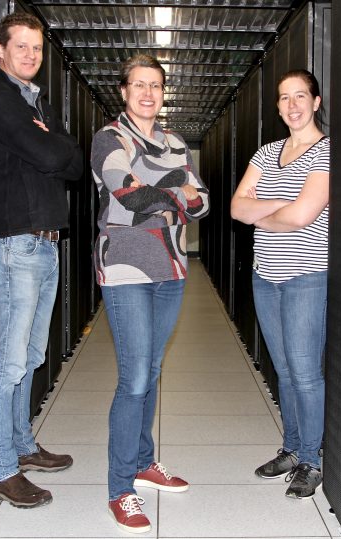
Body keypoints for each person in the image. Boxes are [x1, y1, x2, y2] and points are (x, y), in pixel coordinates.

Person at [91, 54, 210, 533]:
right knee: (134, 377)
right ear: (124, 91)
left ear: (164, 92)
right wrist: (176, 186)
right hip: (124, 267)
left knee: (152, 370)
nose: (147, 93)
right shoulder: (109, 139)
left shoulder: (176, 142)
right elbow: (130, 194)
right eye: (138, 85)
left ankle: (143, 461)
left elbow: (200, 205)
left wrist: (176, 192)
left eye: (155, 86)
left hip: (171, 268)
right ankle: (121, 488)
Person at [0, 11, 83, 508]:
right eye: (20, 46)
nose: (30, 55)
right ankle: (1, 467)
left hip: (46, 242)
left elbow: (76, 161)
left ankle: (22, 445)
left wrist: (55, 143)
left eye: (36, 48)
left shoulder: (37, 100)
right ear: (0, 49)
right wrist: (52, 144)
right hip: (14, 244)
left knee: (32, 356)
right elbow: (51, 158)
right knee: (7, 362)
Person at [230, 69, 329, 499]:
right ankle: (291, 448)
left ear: (316, 102)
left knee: (306, 373)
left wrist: (263, 213)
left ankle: (311, 459)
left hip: (307, 275)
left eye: (300, 96)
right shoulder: (266, 152)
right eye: (285, 98)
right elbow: (236, 207)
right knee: (285, 371)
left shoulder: (327, 152)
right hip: (265, 275)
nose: (292, 105)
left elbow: (304, 215)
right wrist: (280, 207)